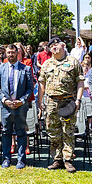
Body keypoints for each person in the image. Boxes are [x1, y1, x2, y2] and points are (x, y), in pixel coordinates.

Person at [37, 37, 83, 172]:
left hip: (68, 101)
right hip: (51, 102)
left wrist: (78, 100)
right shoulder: (46, 64)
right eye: (51, 46)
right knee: (53, 132)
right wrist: (40, 101)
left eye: (56, 45)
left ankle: (68, 160)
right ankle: (57, 159)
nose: (54, 48)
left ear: (63, 46)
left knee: (68, 131)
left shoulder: (73, 62)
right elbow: (41, 83)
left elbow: (80, 81)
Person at [0, 43, 33, 169]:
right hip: (6, 106)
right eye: (8, 52)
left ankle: (21, 160)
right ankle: (6, 159)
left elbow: (30, 88)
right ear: (6, 53)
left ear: (17, 53)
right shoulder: (1, 68)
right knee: (6, 132)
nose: (11, 54)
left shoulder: (25, 68)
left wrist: (22, 100)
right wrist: (4, 100)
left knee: (21, 132)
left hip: (21, 106)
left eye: (13, 52)